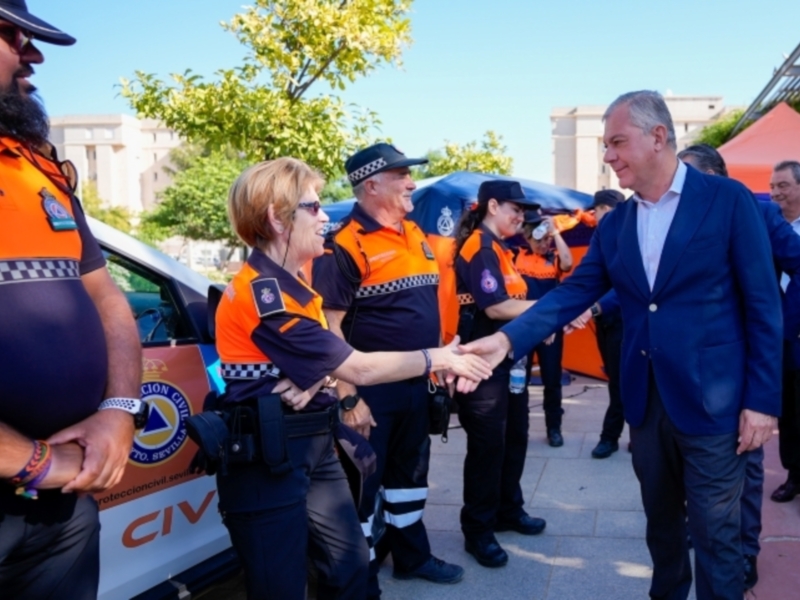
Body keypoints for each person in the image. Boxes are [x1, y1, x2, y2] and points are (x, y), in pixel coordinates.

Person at [461, 90, 782, 600]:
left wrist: (763, 402)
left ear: (658, 137)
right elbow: (572, 294)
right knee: (661, 530)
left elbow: (764, 306)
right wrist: (504, 341)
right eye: (605, 144)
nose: (608, 156)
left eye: (616, 142)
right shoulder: (618, 224)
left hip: (715, 407)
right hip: (647, 404)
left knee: (718, 540)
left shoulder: (729, 201)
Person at [214, 157, 490, 600]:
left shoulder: (293, 284)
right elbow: (355, 366)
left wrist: (318, 379)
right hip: (270, 458)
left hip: (311, 445)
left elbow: (317, 357)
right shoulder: (264, 294)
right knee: (280, 585)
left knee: (353, 567)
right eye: (314, 206)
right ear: (277, 219)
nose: (325, 216)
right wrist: (441, 357)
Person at [0, 3, 144, 598]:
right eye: (12, 35)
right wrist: (29, 460)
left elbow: (107, 298)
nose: (32, 55)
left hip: (60, 503)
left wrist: (117, 410)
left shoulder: (39, 170)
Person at [675, 144, 800, 591]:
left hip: (744, 369)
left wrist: (781, 317)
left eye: (687, 176)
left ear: (715, 175)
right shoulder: (681, 218)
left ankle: (745, 551)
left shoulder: (757, 213)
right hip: (696, 371)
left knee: (745, 465)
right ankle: (709, 532)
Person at [452, 180, 548, 568]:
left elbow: (513, 302)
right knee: (488, 448)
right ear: (492, 205)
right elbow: (495, 307)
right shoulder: (479, 247)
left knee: (515, 437)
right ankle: (478, 529)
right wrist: (552, 309)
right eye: (515, 209)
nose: (520, 217)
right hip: (481, 365)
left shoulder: (502, 250)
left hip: (509, 362)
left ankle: (509, 509)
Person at [567, 190, 626, 459]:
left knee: (625, 383)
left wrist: (591, 309)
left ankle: (610, 437)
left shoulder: (629, 236)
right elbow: (586, 280)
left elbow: (624, 286)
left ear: (609, 208)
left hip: (625, 322)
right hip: (604, 321)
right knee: (616, 380)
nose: (594, 216)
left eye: (597, 211)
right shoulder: (601, 240)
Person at [513, 210, 573, 446]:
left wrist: (555, 231)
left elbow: (568, 263)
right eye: (539, 239)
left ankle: (554, 429)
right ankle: (520, 428)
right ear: (528, 237)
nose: (544, 243)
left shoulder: (554, 257)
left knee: (552, 380)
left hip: (549, 330)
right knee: (518, 381)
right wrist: (528, 225)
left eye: (546, 239)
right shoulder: (516, 255)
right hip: (523, 328)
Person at [768, 160, 800, 507]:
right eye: (773, 186)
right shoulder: (768, 227)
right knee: (787, 411)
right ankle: (794, 473)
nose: (775, 192)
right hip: (780, 336)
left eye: (783, 186)